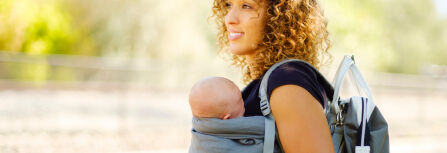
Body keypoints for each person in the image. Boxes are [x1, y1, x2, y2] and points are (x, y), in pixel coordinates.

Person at [211, 0, 335, 152]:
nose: (230, 18)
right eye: (229, 5)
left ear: (278, 18)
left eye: (247, 6)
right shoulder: (270, 81)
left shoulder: (287, 83)